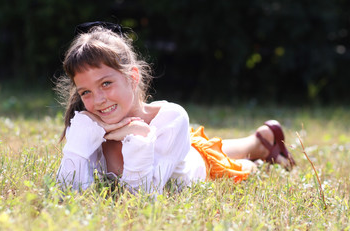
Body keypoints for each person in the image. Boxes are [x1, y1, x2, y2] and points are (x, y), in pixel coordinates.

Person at [55, 22, 296, 193]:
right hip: (181, 147)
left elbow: (141, 195)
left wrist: (138, 135)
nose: (98, 100)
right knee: (205, 146)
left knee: (242, 166)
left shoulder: (171, 117)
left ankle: (262, 149)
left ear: (133, 77)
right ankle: (261, 138)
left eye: (106, 83)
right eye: (85, 92)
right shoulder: (90, 123)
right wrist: (83, 133)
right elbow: (69, 188)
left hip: (197, 168)